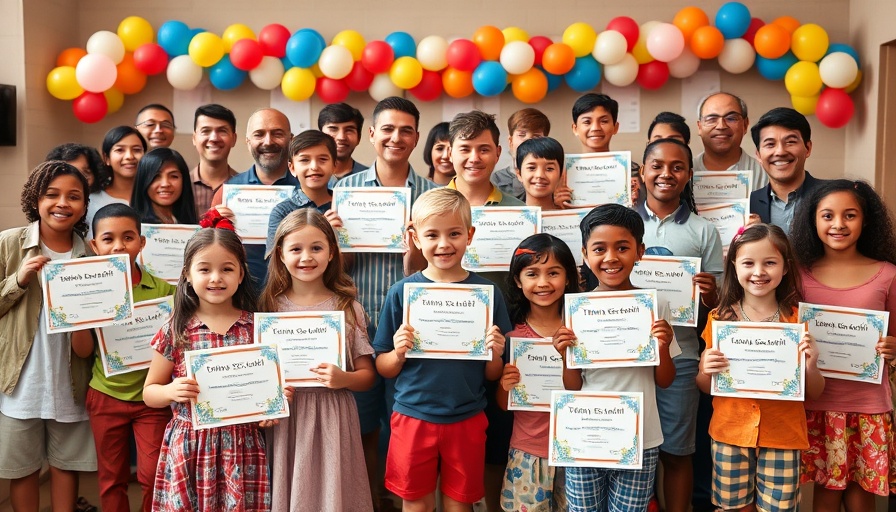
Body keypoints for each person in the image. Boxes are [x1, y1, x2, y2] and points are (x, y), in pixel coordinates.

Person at [374, 187, 511, 512]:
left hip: (467, 416)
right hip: (413, 416)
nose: (444, 244)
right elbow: (383, 366)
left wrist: (494, 353)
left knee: (458, 506)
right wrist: (397, 353)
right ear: (416, 238)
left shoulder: (488, 293)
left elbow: (494, 374)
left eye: (454, 233)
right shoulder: (402, 293)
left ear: (470, 235)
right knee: (416, 505)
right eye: (432, 234)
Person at [334, 96, 437, 512]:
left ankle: (399, 502)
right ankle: (366, 501)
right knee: (359, 428)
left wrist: (413, 246)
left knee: (404, 426)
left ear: (416, 137)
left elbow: (428, 270)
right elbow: (338, 270)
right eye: (388, 129)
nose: (397, 137)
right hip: (357, 327)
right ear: (373, 135)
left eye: (406, 130)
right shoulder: (345, 190)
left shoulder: (431, 195)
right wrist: (337, 239)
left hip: (411, 334)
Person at [143, 223, 275, 511]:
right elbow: (149, 392)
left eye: (227, 269)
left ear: (241, 274)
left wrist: (272, 407)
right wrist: (170, 390)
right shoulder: (176, 330)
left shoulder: (258, 328)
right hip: (191, 444)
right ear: (187, 275)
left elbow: (270, 389)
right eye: (204, 269)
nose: (216, 278)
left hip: (242, 446)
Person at [552, 203, 676, 512]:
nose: (610, 258)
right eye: (599, 249)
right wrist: (565, 354)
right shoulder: (577, 310)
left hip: (641, 436)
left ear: (640, 251)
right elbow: (573, 387)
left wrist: (662, 347)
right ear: (585, 254)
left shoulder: (655, 305)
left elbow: (665, 381)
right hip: (585, 435)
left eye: (622, 247)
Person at [697, 224, 825, 512]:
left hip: (783, 435)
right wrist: (705, 369)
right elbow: (705, 386)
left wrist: (812, 366)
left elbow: (815, 391)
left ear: (785, 268)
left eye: (770, 262)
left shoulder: (796, 321)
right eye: (748, 263)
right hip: (729, 434)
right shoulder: (720, 319)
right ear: (734, 266)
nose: (759, 272)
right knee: (733, 507)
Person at [789, 180, 896, 512]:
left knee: (862, 493)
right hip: (816, 403)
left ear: (866, 221)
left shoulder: (888, 274)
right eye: (828, 215)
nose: (838, 224)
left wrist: (893, 348)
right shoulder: (797, 275)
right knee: (827, 493)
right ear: (813, 221)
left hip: (868, 404)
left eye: (850, 215)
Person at [261, 208, 376, 511]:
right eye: (296, 249)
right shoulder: (267, 309)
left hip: (333, 413)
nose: (306, 257)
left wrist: (345, 378)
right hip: (287, 416)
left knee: (332, 491)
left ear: (331, 253)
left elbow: (367, 375)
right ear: (281, 254)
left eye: (316, 248)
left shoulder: (348, 307)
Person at [0, 161, 96, 512]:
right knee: (22, 468)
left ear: (85, 205)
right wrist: (18, 281)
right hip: (20, 382)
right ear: (35, 199)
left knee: (66, 464)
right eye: (52, 194)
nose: (62, 203)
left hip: (69, 378)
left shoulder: (92, 254)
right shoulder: (9, 244)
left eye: (74, 196)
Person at [70, 203, 175, 512]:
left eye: (128, 237)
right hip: (105, 395)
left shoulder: (165, 292)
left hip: (151, 399)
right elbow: (83, 351)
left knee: (152, 473)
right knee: (111, 478)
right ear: (94, 245)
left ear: (141, 243)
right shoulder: (86, 291)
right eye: (108, 239)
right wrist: (79, 320)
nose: (118, 245)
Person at [637, 138, 723, 512]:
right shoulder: (621, 222)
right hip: (628, 357)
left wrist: (709, 294)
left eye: (676, 167)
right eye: (656, 165)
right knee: (632, 451)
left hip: (684, 356)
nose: (665, 174)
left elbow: (719, 307)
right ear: (642, 172)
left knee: (677, 452)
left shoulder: (704, 231)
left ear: (689, 175)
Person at [445, 110, 523, 510]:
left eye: (483, 149)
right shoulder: (434, 203)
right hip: (446, 341)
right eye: (465, 148)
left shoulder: (517, 208)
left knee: (497, 437)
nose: (474, 157)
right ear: (450, 152)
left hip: (502, 337)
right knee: (452, 438)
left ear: (497, 153)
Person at [496, 233, 577, 512]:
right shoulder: (511, 336)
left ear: (568, 277)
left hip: (577, 451)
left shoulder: (581, 329)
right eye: (532, 274)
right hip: (527, 454)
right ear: (518, 281)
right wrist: (505, 385)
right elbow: (503, 405)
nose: (543, 283)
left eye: (553, 272)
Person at [211, 108, 297, 288]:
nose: (268, 141)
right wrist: (216, 229)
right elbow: (210, 254)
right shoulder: (226, 193)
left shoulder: (308, 189)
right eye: (259, 134)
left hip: (296, 297)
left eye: (277, 134)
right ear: (248, 141)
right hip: (243, 298)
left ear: (291, 139)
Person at [748, 107, 825, 235]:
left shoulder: (831, 195)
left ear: (808, 148)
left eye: (790, 142)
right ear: (758, 155)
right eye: (770, 144)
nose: (780, 152)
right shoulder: (749, 204)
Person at [265, 130, 339, 255]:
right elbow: (274, 261)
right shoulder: (282, 212)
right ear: (292, 168)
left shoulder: (342, 208)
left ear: (334, 166)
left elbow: (352, 262)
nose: (314, 166)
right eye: (305, 160)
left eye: (322, 159)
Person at [694, 92, 767, 190]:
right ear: (699, 127)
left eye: (731, 118)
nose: (721, 126)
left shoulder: (765, 173)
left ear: (745, 125)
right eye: (712, 119)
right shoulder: (684, 172)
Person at [87, 126, 147, 237]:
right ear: (106, 158)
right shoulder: (91, 201)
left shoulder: (155, 197)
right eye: (120, 150)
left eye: (137, 150)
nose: (129, 156)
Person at [491, 108, 551, 200]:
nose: (528, 140)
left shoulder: (553, 176)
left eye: (536, 136)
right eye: (522, 135)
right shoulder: (497, 179)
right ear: (510, 141)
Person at [191, 104, 239, 218]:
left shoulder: (244, 187)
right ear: (194, 138)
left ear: (234, 139)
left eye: (222, 131)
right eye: (206, 131)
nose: (214, 138)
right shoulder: (180, 186)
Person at [131, 148, 198, 225]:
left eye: (174, 176)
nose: (165, 184)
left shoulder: (188, 223)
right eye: (156, 176)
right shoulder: (133, 225)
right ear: (143, 181)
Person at [515, 137, 571, 211]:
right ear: (519, 174)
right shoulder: (510, 219)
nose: (540, 175)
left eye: (549, 169)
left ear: (561, 174)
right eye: (531, 168)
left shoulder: (572, 217)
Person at [318, 102, 368, 179]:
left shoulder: (370, 180)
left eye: (349, 130)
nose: (341, 137)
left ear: (359, 138)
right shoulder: (304, 177)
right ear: (320, 135)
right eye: (333, 129)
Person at [422, 122, 454, 186]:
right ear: (429, 151)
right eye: (440, 149)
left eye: (452, 150)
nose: (445, 156)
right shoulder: (418, 190)